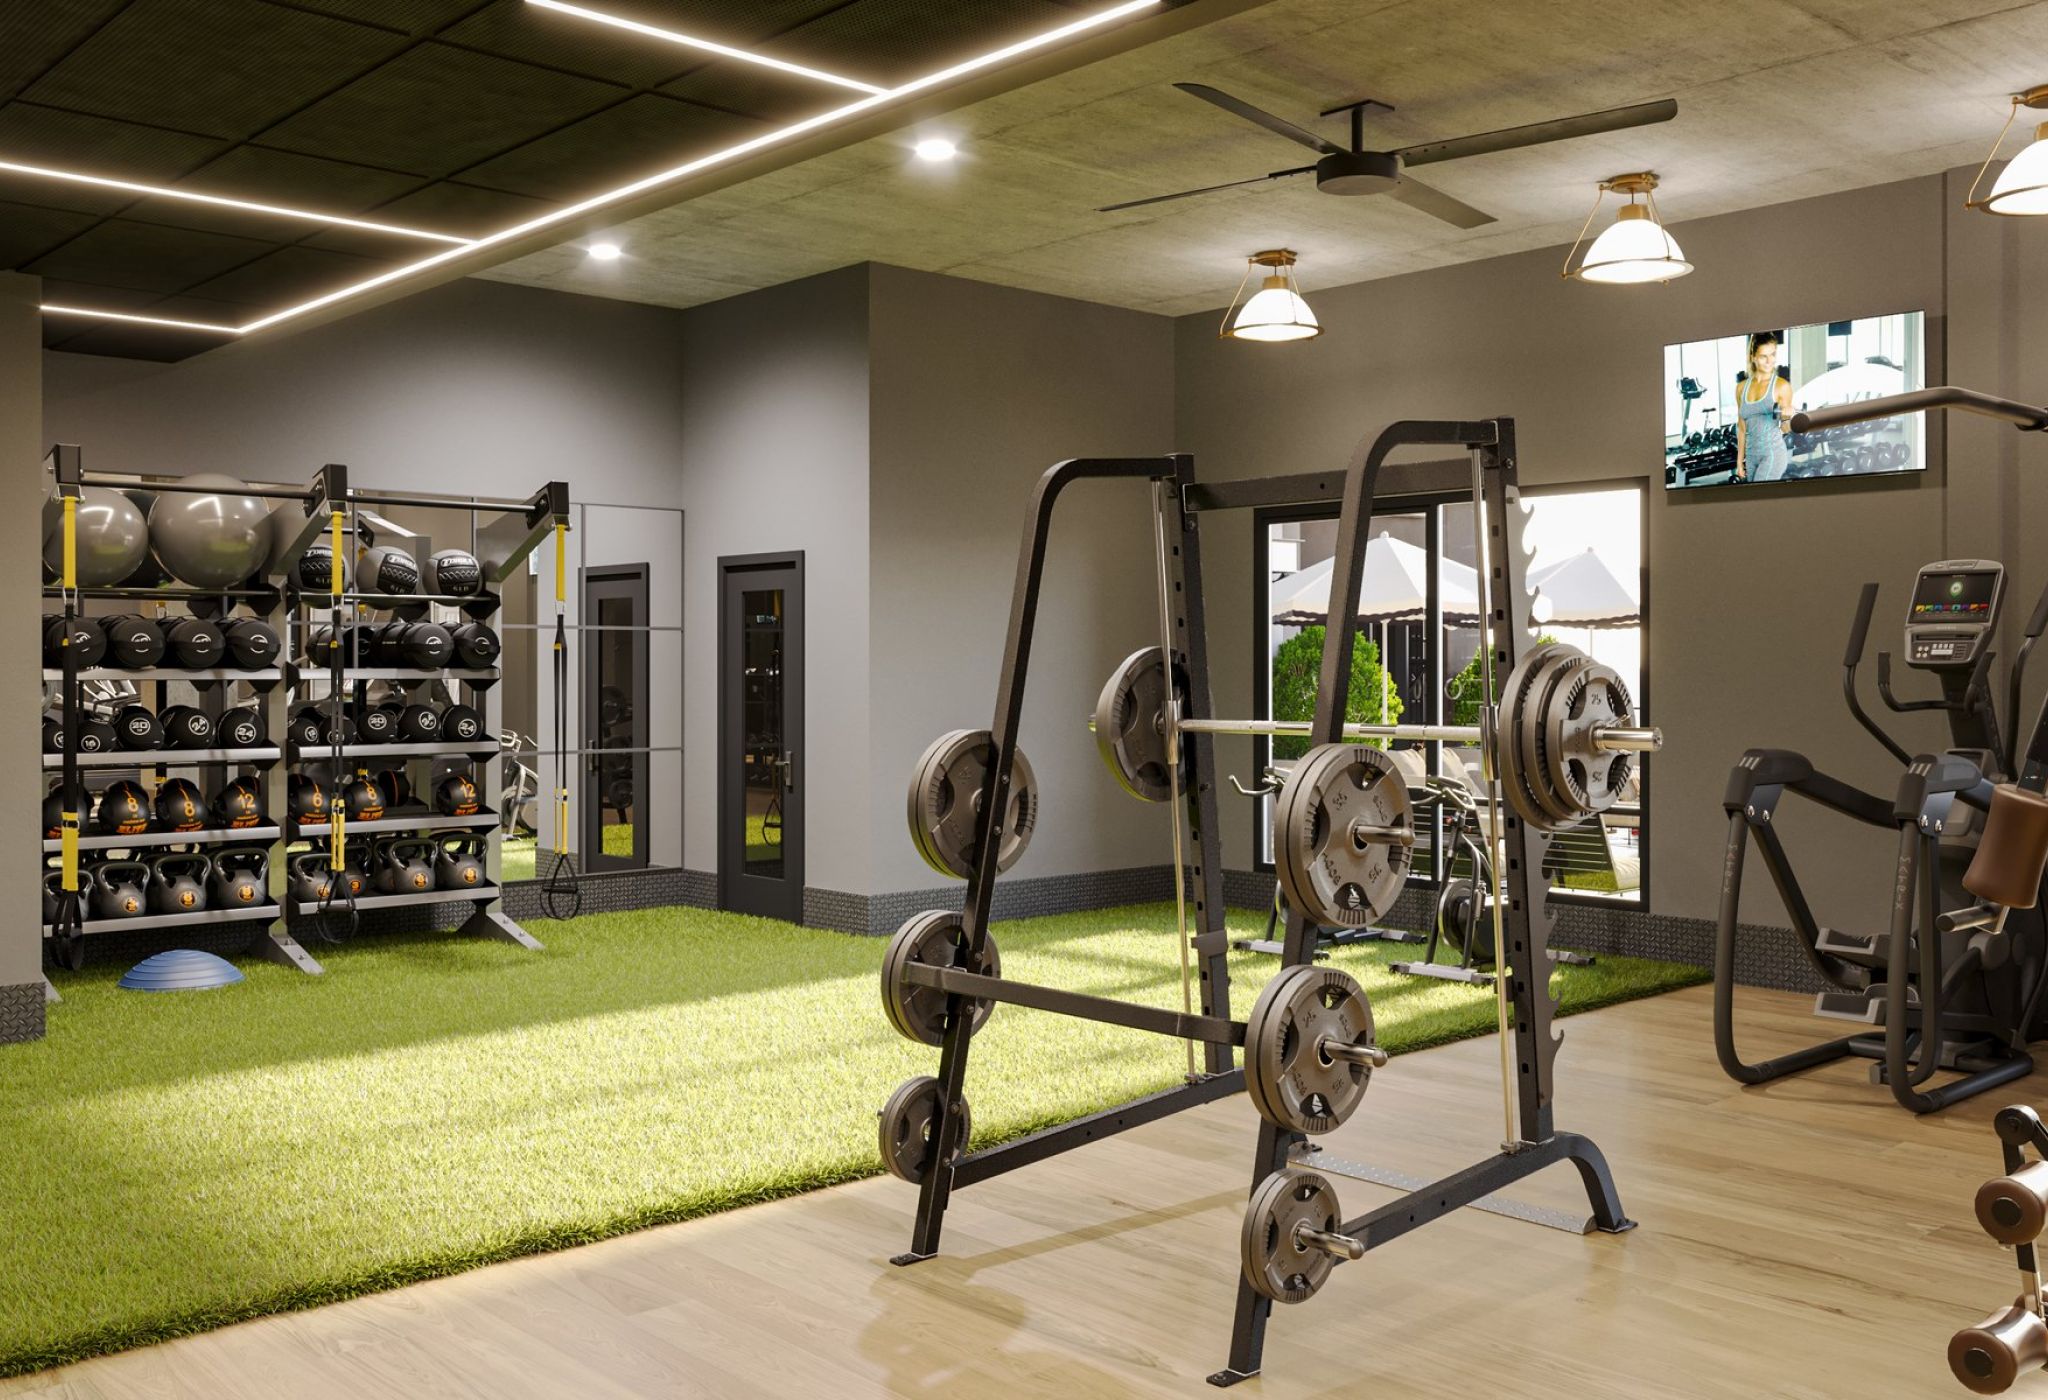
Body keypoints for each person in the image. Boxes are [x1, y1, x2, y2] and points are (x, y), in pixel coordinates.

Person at [1733, 331, 1794, 483]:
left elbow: (1786, 429)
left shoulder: (1781, 386)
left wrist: (1787, 417)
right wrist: (1740, 461)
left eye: (1773, 354)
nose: (1770, 361)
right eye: (1763, 356)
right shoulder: (1741, 388)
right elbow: (1741, 427)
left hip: (1773, 453)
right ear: (1753, 357)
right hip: (1751, 455)